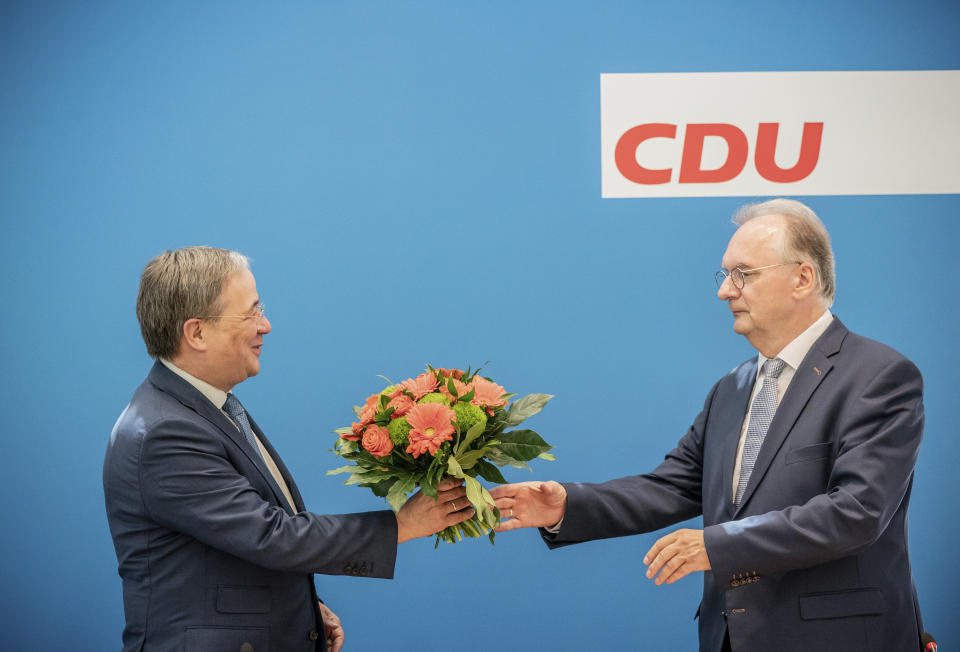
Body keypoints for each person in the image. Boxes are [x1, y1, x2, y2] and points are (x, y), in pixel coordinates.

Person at [490, 199, 926, 652]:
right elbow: (673, 487)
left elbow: (856, 513)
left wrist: (718, 546)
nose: (726, 291)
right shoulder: (732, 388)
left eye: (744, 274)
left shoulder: (879, 375)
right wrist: (566, 507)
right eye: (725, 276)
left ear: (803, 277)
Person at [103, 247, 474, 652]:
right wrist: (403, 524)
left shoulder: (207, 405)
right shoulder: (166, 433)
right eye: (250, 313)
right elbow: (271, 535)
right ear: (197, 333)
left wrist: (301, 610)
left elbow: (229, 544)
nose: (266, 325)